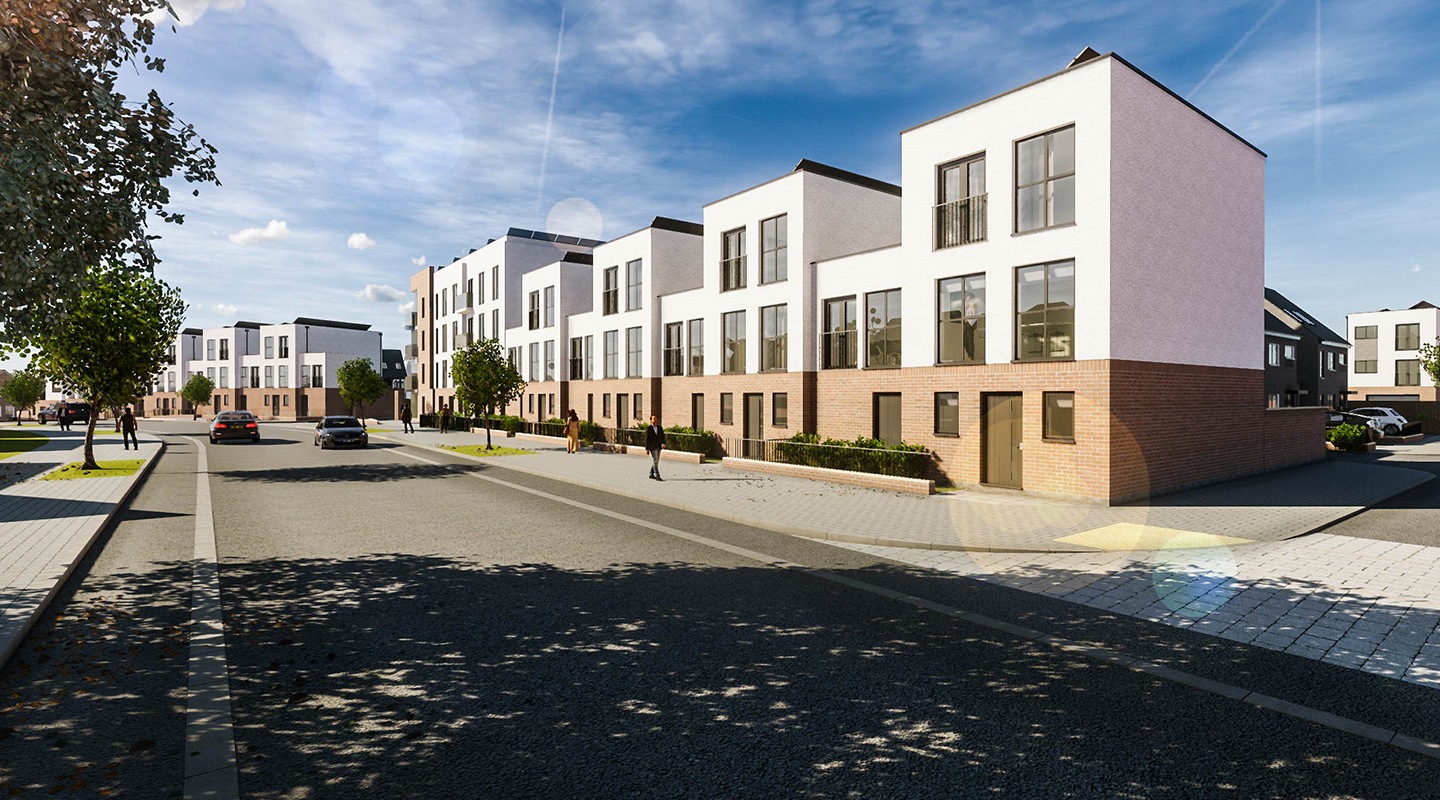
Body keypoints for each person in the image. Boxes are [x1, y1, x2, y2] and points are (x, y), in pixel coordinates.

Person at [644, 414, 665, 481]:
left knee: (656, 461)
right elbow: (647, 439)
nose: (655, 420)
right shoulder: (649, 429)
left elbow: (662, 436)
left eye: (656, 419)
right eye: (653, 419)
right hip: (652, 447)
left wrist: (663, 443)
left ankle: (651, 474)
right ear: (651, 420)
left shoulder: (659, 428)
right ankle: (657, 475)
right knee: (655, 460)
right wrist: (647, 449)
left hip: (658, 446)